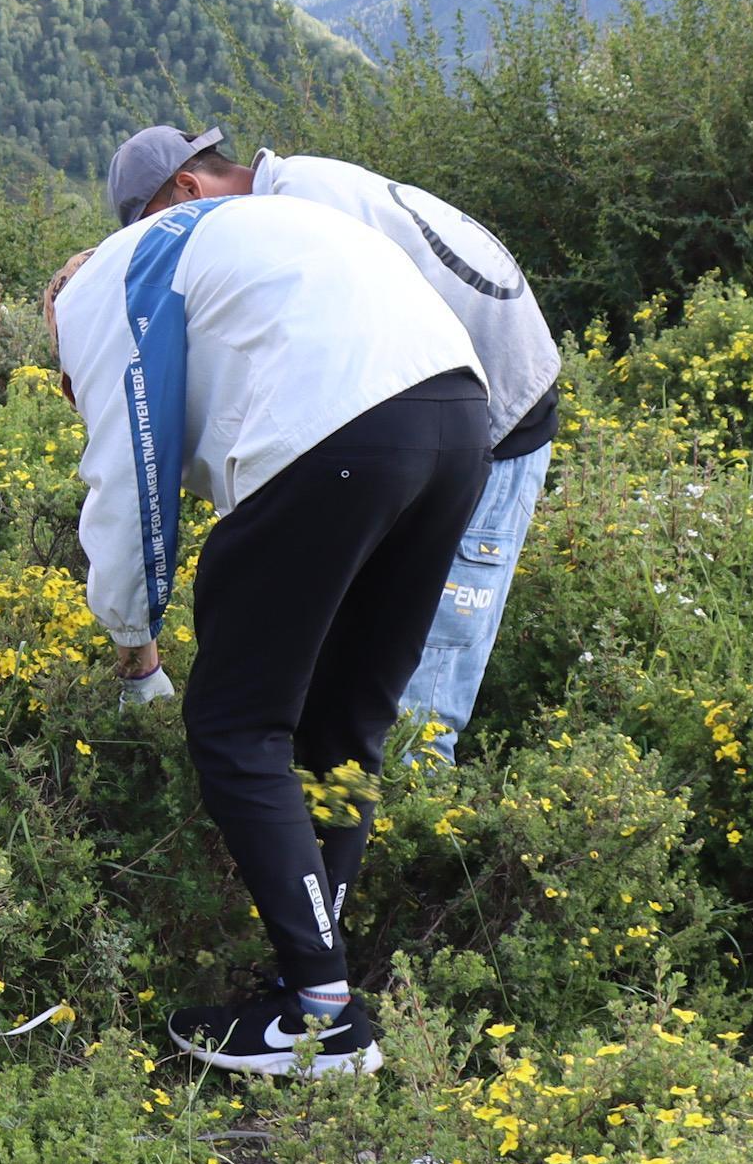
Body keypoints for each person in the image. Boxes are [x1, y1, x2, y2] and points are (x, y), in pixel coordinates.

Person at [49, 191, 488, 1075]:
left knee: (234, 724)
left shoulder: (96, 297)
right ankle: (315, 973)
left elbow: (128, 483)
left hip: (339, 423)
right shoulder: (203, 244)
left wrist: (137, 654)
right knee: (346, 724)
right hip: (457, 413)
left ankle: (318, 1018)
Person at [111, 126, 560, 761]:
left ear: (188, 188)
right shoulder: (297, 187)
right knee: (368, 648)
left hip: (499, 413)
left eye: (162, 228)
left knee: (423, 678)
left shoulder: (296, 210)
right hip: (432, 408)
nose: (171, 251)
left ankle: (415, 810)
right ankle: (340, 798)